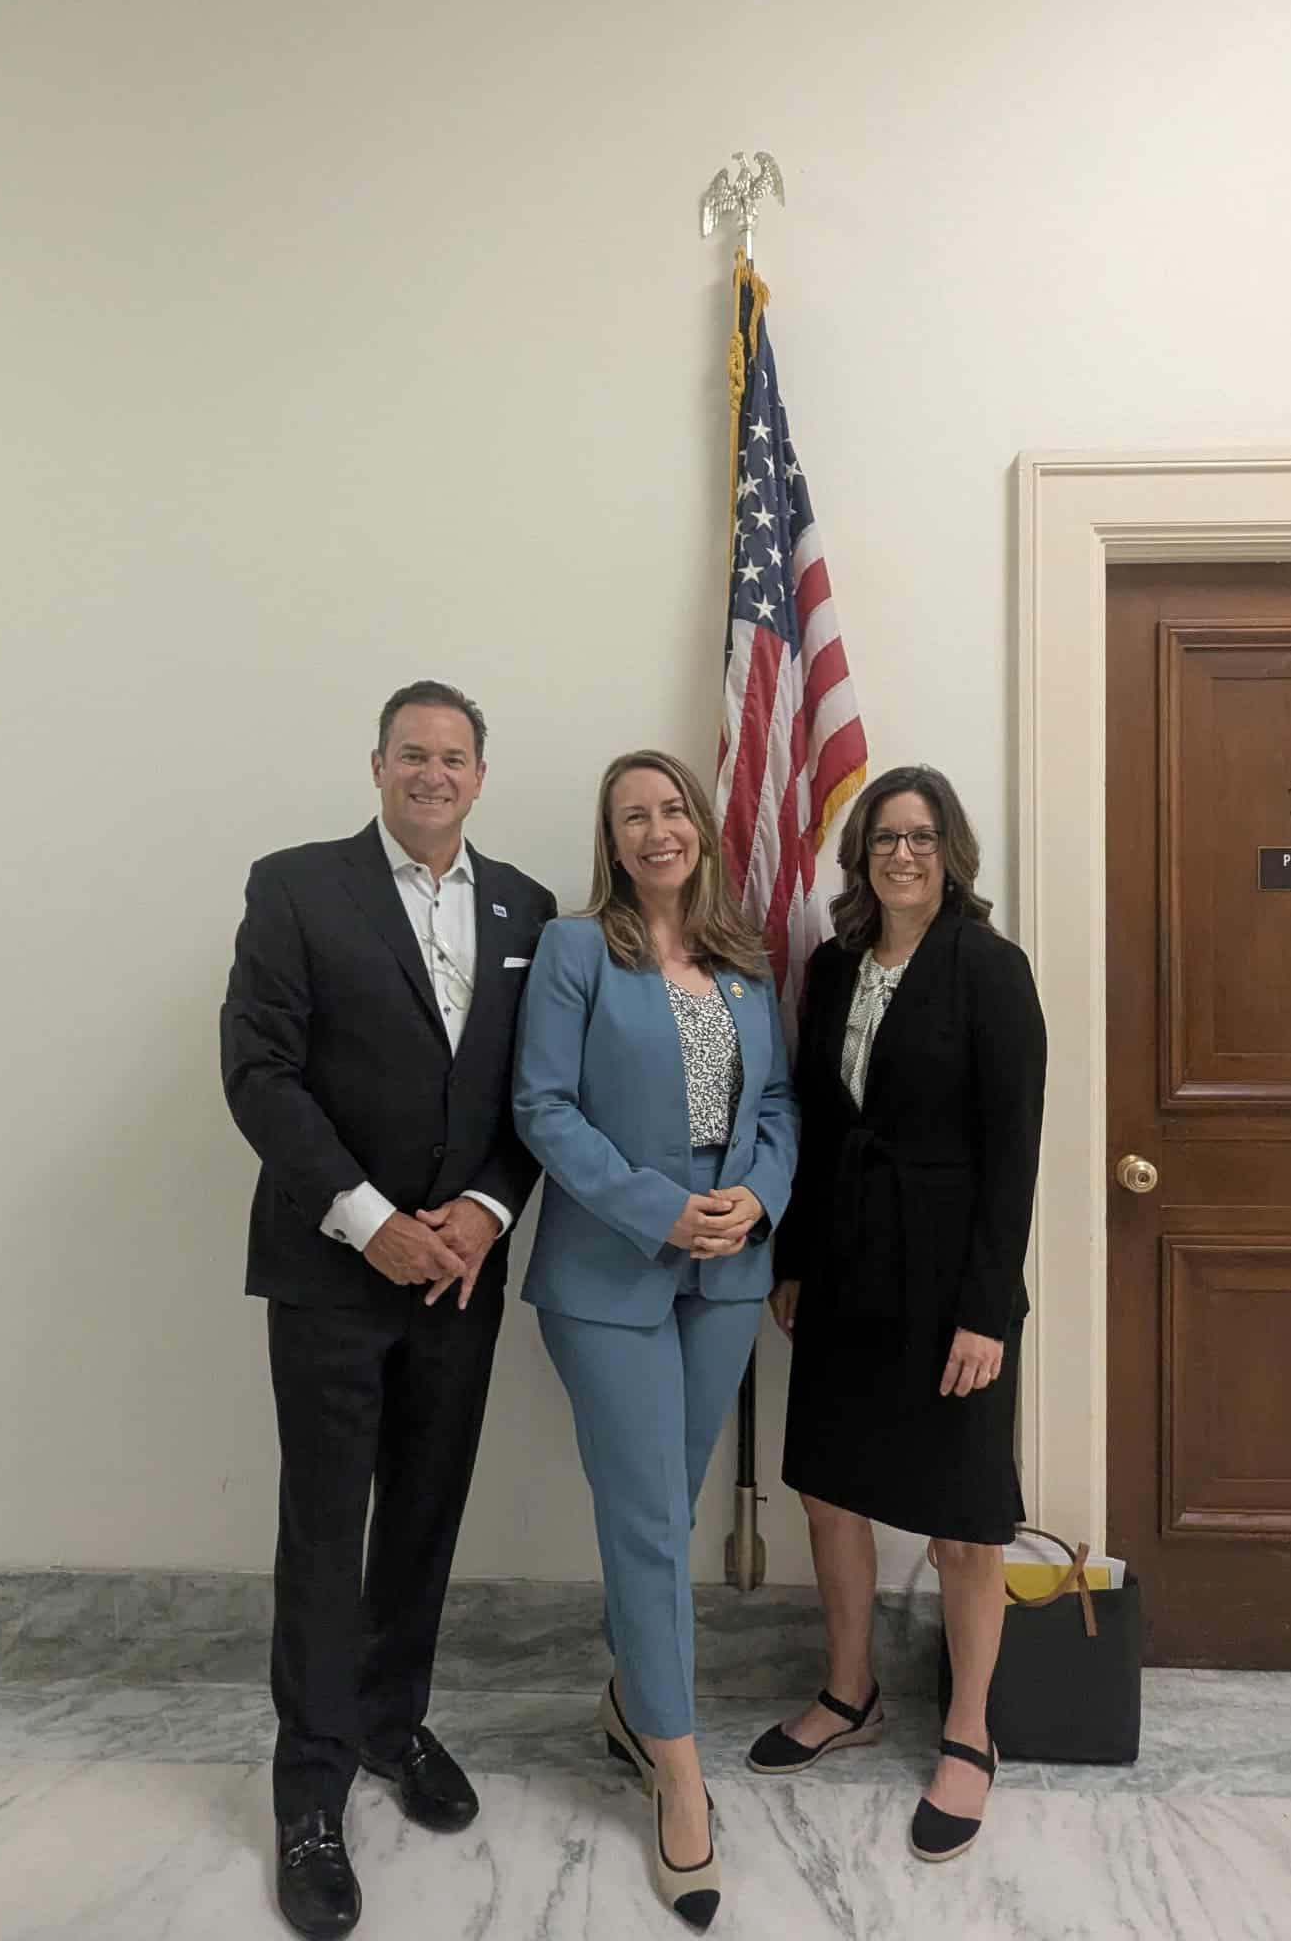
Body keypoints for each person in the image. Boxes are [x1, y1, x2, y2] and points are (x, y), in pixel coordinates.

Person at [221, 681, 556, 1939]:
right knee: (325, 1526)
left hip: (464, 1275)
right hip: (331, 1273)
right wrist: (373, 1221)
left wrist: (483, 1208)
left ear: (480, 774)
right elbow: (259, 1070)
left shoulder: (528, 907)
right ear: (376, 766)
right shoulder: (296, 887)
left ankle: (390, 1720)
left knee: (423, 1511)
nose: (432, 771)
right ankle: (308, 1790)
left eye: (453, 755)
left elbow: (542, 1089)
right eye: (411, 752)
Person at [513, 751, 797, 1933]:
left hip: (726, 1271)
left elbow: (777, 1109)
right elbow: (542, 1105)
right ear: (613, 840)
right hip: (610, 1267)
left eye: (672, 806)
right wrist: (653, 1203)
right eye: (634, 815)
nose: (658, 827)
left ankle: (635, 1697)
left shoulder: (742, 961)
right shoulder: (581, 949)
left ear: (699, 824)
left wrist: (756, 1199)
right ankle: (680, 1775)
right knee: (641, 1515)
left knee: (666, 1513)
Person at [748, 764, 1046, 1867]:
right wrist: (794, 1259)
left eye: (921, 835)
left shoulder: (989, 967)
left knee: (963, 1515)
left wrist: (986, 1313)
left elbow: (1013, 1151)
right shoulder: (832, 966)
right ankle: (849, 1689)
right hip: (845, 1266)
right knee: (830, 1488)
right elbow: (817, 1127)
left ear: (950, 848)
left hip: (951, 1280)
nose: (902, 853)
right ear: (861, 854)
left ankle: (969, 1728)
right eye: (884, 838)